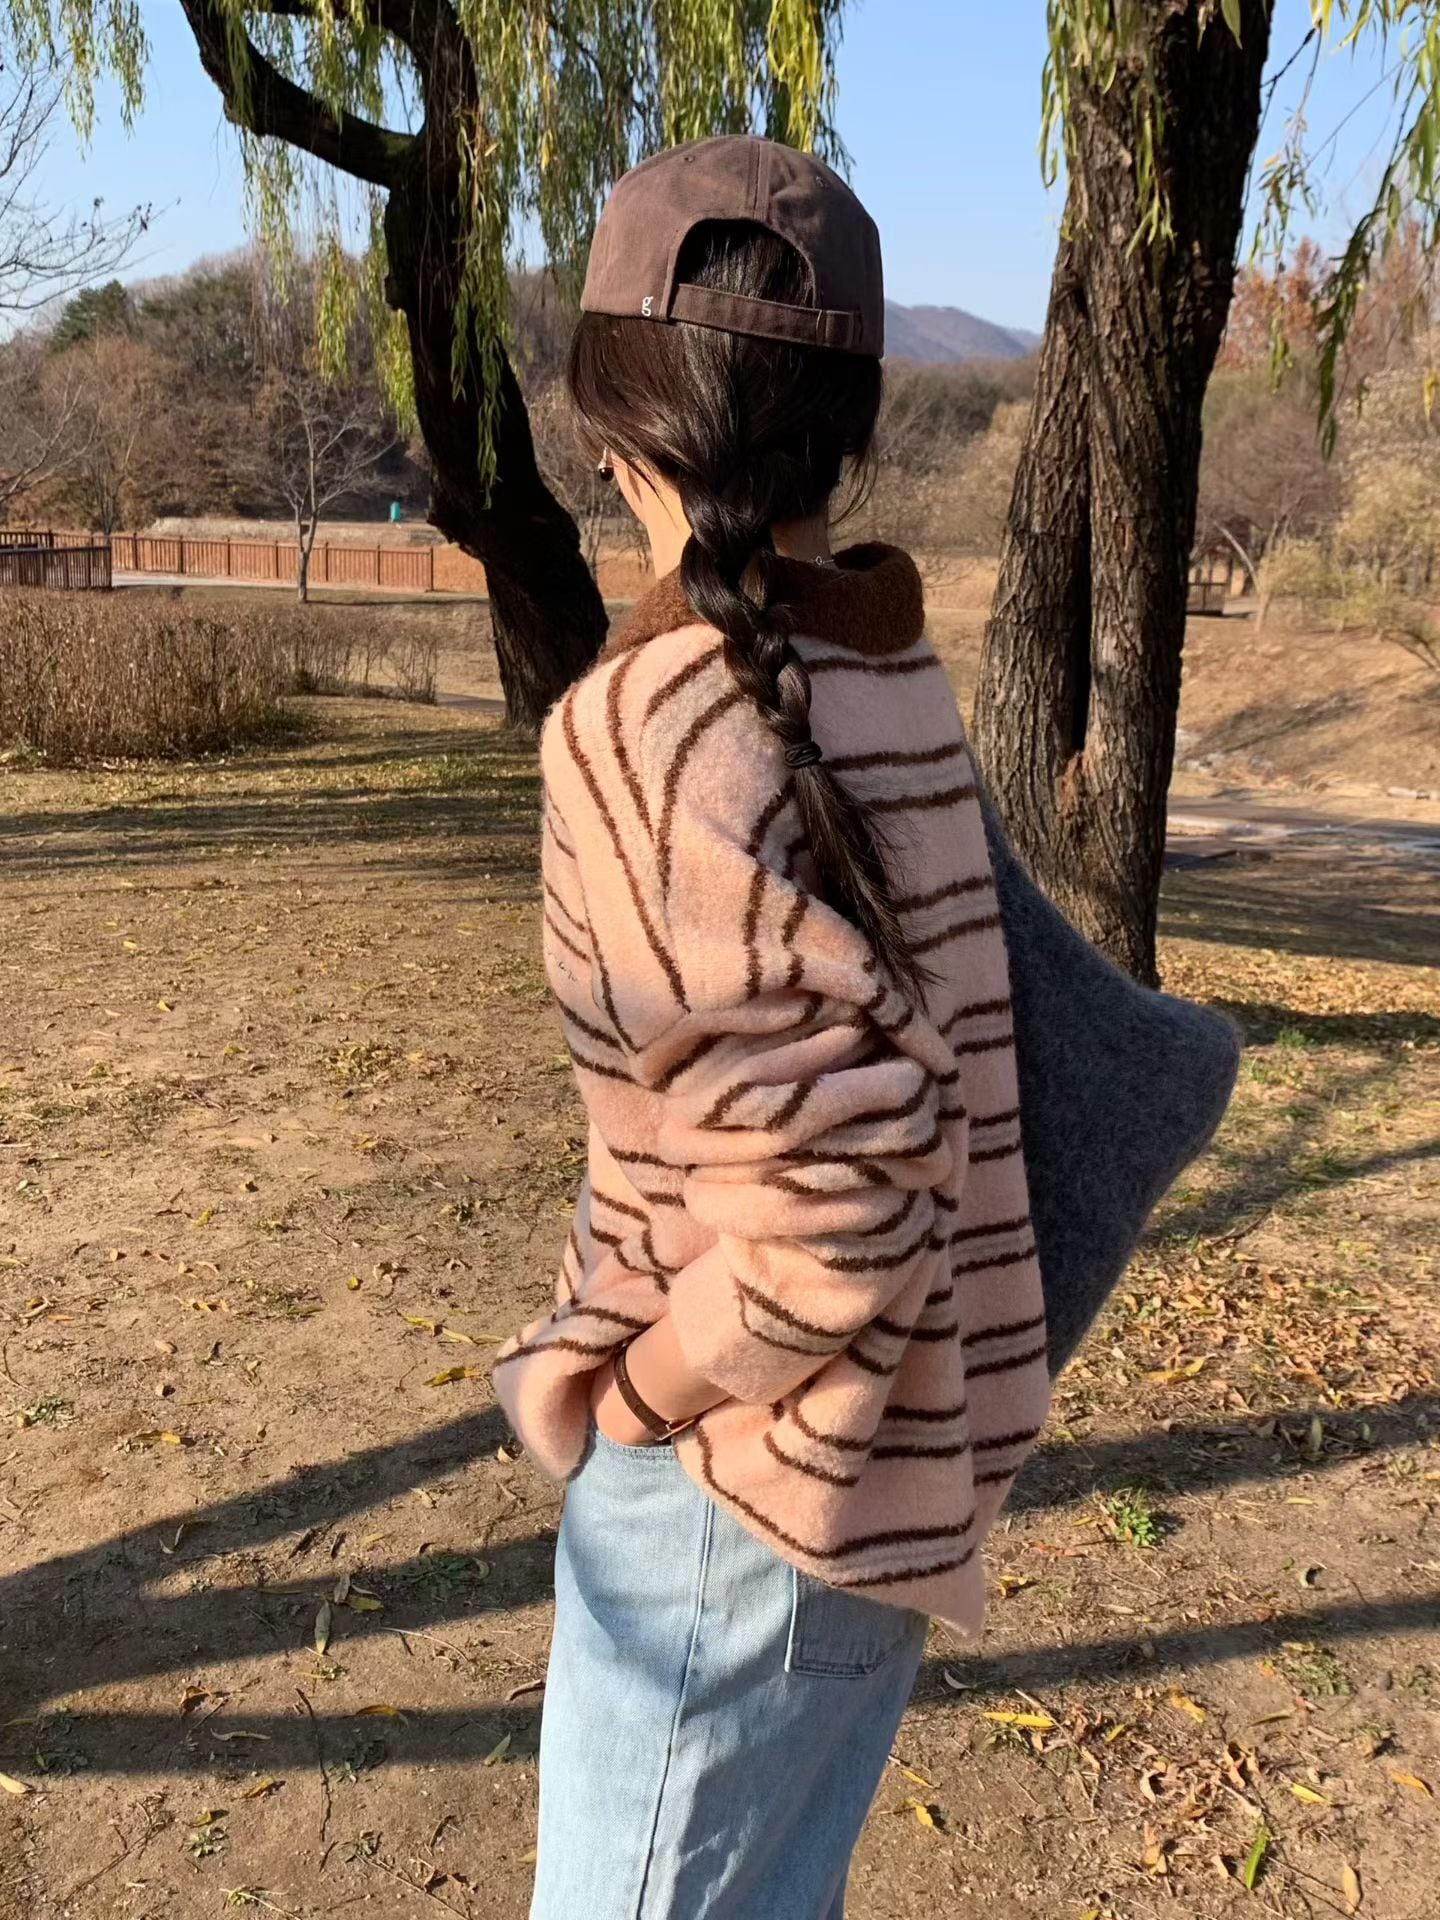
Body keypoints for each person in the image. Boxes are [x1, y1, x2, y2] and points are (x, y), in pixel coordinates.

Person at [492, 135, 1051, 1920]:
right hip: (884, 1477)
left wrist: (639, 1400)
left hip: (737, 1487)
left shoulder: (644, 727)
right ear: (853, 425)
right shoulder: (891, 669)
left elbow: (839, 1197)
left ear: (611, 420)